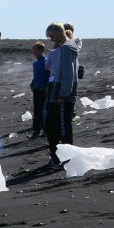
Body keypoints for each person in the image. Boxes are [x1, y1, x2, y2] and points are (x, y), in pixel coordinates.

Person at [44, 22, 79, 168]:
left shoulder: (66, 48)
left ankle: (65, 159)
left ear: (58, 33)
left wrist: (63, 94)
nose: (50, 39)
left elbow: (69, 74)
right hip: (57, 90)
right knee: (51, 125)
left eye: (51, 35)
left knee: (62, 128)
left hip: (63, 93)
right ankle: (57, 157)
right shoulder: (65, 47)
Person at [29, 42, 50, 138]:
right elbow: (36, 76)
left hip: (43, 89)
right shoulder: (35, 63)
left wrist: (47, 87)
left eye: (36, 51)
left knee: (42, 110)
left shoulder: (46, 62)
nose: (34, 53)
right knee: (36, 110)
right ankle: (36, 130)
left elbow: (48, 76)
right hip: (36, 88)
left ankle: (46, 129)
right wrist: (32, 84)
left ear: (41, 50)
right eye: (33, 51)